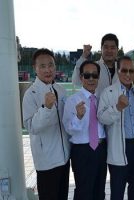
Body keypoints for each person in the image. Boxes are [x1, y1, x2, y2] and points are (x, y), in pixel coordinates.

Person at [97, 56, 134, 200]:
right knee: (117, 191)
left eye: (131, 71)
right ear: (118, 71)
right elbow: (102, 118)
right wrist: (118, 107)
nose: (128, 74)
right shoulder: (108, 93)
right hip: (119, 148)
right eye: (124, 70)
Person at [22, 48, 70, 200]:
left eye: (51, 65)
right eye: (42, 66)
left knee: (62, 196)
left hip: (64, 158)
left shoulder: (61, 90)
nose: (48, 70)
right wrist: (46, 108)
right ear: (35, 69)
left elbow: (66, 121)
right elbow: (31, 127)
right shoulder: (31, 94)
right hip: (46, 162)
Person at [62, 61, 107, 200]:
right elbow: (68, 128)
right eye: (87, 75)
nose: (91, 79)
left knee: (100, 189)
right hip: (82, 151)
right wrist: (79, 117)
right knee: (84, 190)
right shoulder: (72, 100)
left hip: (101, 148)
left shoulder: (101, 99)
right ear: (81, 78)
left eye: (94, 75)